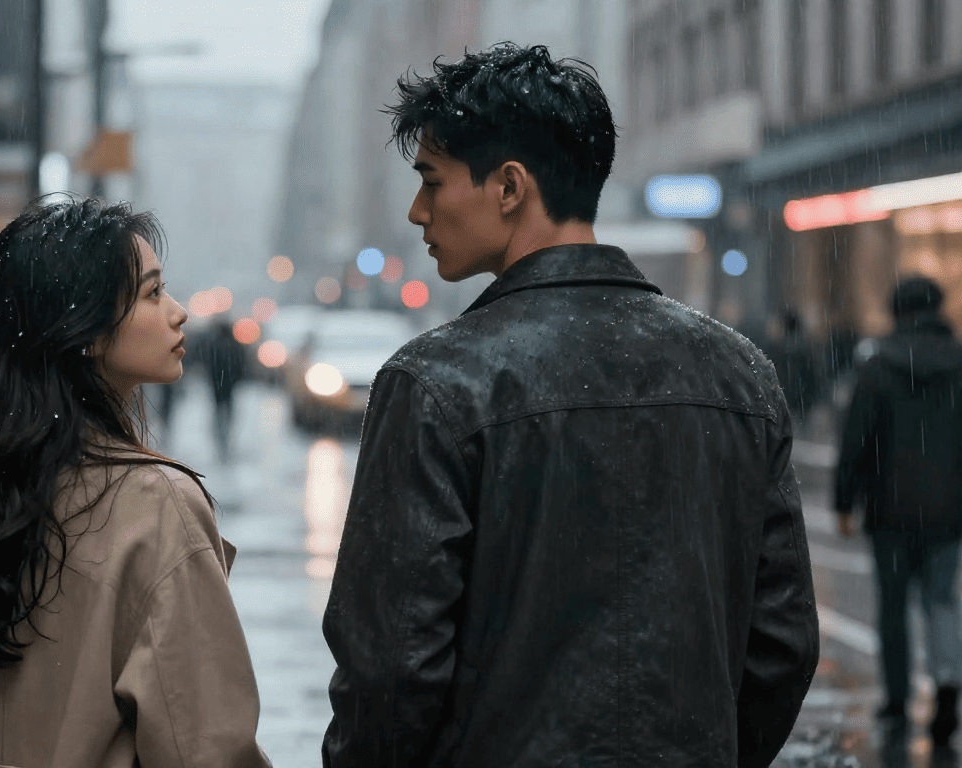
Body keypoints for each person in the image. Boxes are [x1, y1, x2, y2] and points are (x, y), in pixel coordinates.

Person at [321, 43, 818, 767]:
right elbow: (781, 644)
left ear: (510, 187)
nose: (417, 210)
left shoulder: (435, 382)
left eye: (432, 180)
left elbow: (390, 670)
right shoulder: (739, 373)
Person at [0, 197, 270, 768]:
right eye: (152, 293)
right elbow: (200, 744)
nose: (178, 313)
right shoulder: (156, 506)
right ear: (85, 332)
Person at [835, 276, 962, 765]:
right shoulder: (958, 363)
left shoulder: (878, 364)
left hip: (890, 509)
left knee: (893, 608)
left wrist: (845, 500)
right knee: (942, 601)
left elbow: (857, 438)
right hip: (949, 508)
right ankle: (948, 683)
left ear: (896, 310)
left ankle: (897, 700)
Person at [197, 315, 248, 458]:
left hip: (218, 385)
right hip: (229, 385)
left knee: (219, 413)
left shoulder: (214, 344)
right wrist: (236, 379)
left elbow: (208, 364)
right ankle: (226, 439)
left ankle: (221, 440)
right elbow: (241, 364)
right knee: (228, 413)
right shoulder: (234, 344)